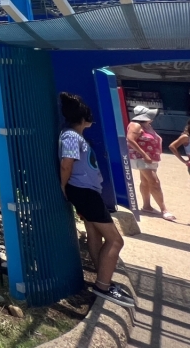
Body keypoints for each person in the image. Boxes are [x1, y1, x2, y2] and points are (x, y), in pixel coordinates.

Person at [58, 92, 136, 309]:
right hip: (84, 192)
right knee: (115, 240)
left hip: (86, 191)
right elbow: (67, 163)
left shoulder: (72, 135)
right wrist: (63, 185)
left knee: (94, 235)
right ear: (83, 119)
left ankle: (103, 279)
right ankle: (103, 285)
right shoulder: (72, 137)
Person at [127, 105, 176, 221]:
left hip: (149, 158)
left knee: (146, 182)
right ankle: (164, 210)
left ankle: (147, 206)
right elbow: (130, 140)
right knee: (155, 182)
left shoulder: (146, 125)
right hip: (142, 158)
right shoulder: (135, 125)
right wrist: (144, 154)